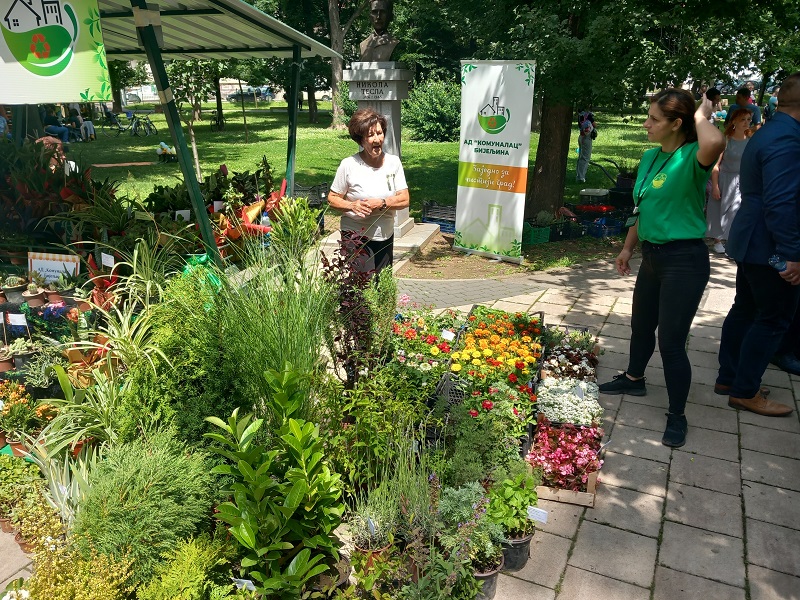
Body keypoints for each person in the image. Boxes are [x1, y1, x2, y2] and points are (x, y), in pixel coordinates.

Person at [598, 89, 726, 448]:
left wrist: (702, 112)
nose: (646, 124)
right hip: (652, 257)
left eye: (654, 119)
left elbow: (715, 140)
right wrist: (627, 248)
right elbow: (643, 207)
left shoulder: (692, 157)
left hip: (684, 261)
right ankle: (634, 378)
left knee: (670, 341)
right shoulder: (650, 157)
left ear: (677, 124)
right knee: (640, 325)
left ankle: (677, 415)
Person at [715, 72, 800, 417]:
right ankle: (745, 391)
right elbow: (781, 203)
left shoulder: (770, 132)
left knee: (745, 309)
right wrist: (792, 253)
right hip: (770, 246)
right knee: (773, 319)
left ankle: (729, 377)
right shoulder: (788, 140)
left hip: (751, 239)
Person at [327, 108, 410, 274]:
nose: (377, 139)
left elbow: (405, 198)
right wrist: (352, 206)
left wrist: (382, 202)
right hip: (355, 235)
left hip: (385, 234)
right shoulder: (348, 165)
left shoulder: (393, 163)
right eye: (370, 135)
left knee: (383, 283)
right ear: (360, 140)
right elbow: (332, 198)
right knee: (359, 286)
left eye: (379, 133)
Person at [706, 108, 752, 254]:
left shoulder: (751, 140)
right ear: (734, 122)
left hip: (742, 179)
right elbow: (715, 166)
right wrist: (715, 186)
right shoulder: (726, 140)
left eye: (749, 119)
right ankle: (718, 240)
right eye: (743, 119)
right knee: (719, 209)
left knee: (736, 211)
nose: (746, 123)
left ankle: (732, 241)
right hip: (724, 178)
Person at [576, 110, 595, 184]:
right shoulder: (588, 115)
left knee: (581, 157)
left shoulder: (580, 115)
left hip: (581, 136)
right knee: (585, 158)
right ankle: (581, 178)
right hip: (586, 138)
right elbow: (595, 124)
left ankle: (579, 176)